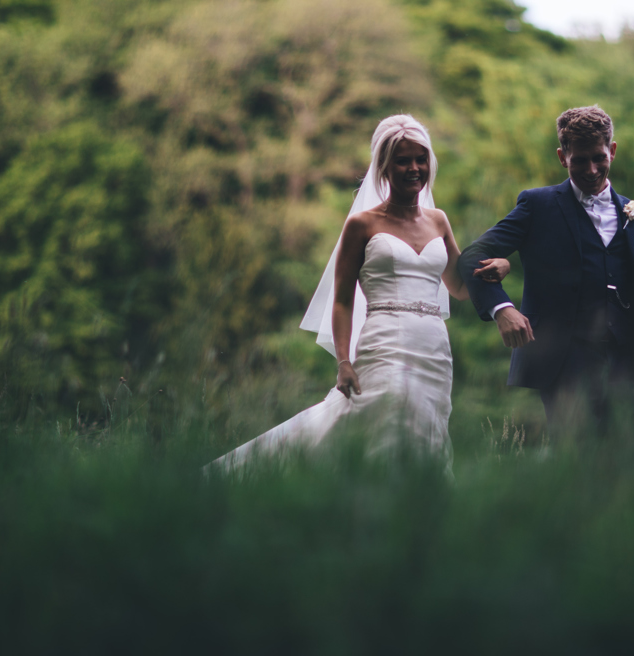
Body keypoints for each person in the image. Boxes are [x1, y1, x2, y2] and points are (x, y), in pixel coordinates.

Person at [206, 115, 508, 475]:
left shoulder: (439, 220)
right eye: (402, 160)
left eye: (420, 159)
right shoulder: (362, 224)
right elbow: (343, 300)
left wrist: (498, 268)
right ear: (384, 167)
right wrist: (344, 362)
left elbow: (459, 287)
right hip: (384, 342)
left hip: (434, 350)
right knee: (384, 426)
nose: (414, 168)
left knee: (427, 430)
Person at [458, 105, 634, 443]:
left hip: (630, 368)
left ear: (612, 150)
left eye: (599, 157)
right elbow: (472, 257)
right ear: (561, 157)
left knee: (633, 476)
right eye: (580, 160)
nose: (592, 169)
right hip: (565, 366)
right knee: (576, 472)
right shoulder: (537, 206)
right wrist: (502, 309)